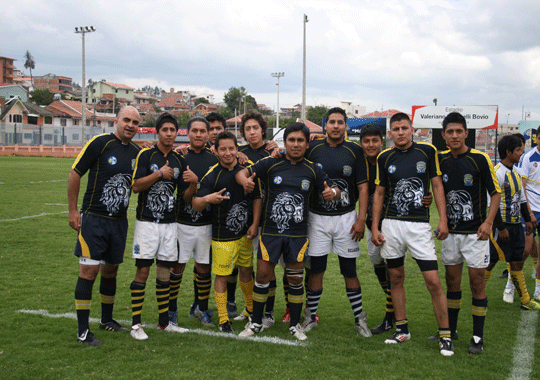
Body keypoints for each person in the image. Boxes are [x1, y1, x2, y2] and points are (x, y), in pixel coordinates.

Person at [236, 122, 341, 341]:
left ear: (306, 143)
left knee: (295, 279)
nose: (295, 144)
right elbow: (241, 172)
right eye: (291, 140)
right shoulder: (272, 162)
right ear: (285, 142)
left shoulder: (313, 169)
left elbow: (334, 188)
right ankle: (255, 322)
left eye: (300, 140)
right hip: (271, 233)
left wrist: (333, 192)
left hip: (297, 235)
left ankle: (295, 325)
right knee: (263, 276)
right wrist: (245, 181)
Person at [371, 112, 454, 356]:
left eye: (404, 128)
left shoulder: (427, 152)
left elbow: (437, 185)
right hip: (391, 225)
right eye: (395, 129)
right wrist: (375, 227)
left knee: (433, 281)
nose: (400, 132)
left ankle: (445, 335)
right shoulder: (384, 157)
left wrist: (444, 219)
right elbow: (378, 193)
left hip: (418, 226)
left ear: (412, 129)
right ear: (390, 133)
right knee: (395, 277)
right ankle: (401, 329)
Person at [68, 106, 141, 345]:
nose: (130, 125)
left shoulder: (137, 153)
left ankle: (106, 320)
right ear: (116, 121)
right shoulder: (100, 143)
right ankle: (82, 331)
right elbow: (75, 173)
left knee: (111, 271)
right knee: (88, 272)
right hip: (94, 220)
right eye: (127, 120)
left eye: (135, 122)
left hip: (118, 223)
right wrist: (73, 210)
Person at [434, 112, 501, 354]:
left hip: (476, 234)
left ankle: (477, 336)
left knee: (476, 284)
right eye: (449, 132)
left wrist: (489, 223)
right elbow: (436, 188)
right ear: (443, 136)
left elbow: (496, 194)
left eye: (458, 131)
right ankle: (450, 331)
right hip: (450, 233)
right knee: (452, 282)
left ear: (466, 133)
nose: (454, 136)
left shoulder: (480, 158)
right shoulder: (440, 159)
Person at [302, 107, 371, 336]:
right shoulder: (312, 148)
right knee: (316, 270)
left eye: (340, 122)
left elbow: (362, 187)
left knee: (349, 270)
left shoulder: (355, 151)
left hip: (346, 218)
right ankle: (311, 317)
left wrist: (361, 219)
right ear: (325, 125)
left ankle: (360, 319)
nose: (335, 126)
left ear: (346, 126)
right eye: (331, 122)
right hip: (317, 218)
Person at [192, 131, 263, 333]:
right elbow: (196, 203)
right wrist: (208, 199)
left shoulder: (248, 171)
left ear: (237, 148)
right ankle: (224, 320)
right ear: (215, 150)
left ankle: (249, 311)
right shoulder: (212, 176)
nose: (227, 153)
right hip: (222, 237)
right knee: (222, 276)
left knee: (247, 272)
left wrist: (254, 224)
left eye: (231, 148)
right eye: (222, 149)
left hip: (244, 235)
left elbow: (257, 198)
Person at [127, 113, 189, 340]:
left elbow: (185, 194)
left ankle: (164, 323)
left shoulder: (179, 159)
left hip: (169, 224)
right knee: (142, 271)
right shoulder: (146, 154)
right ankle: (136, 325)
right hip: (147, 224)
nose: (170, 134)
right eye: (165, 130)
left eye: (173, 130)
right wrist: (159, 174)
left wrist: (192, 182)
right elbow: (135, 186)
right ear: (158, 131)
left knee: (164, 274)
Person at [169, 117, 219, 327]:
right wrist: (194, 185)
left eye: (202, 131)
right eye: (194, 131)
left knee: (204, 268)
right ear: (187, 133)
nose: (198, 134)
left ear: (208, 134)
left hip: (207, 224)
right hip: (182, 223)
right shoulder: (180, 157)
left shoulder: (214, 158)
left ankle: (201, 307)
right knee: (178, 267)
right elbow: (185, 197)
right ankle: (171, 310)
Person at [234, 110, 281, 327]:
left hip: (268, 219)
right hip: (245, 218)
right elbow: (216, 150)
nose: (252, 132)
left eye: (255, 127)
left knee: (267, 267)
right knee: (247, 266)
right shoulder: (239, 153)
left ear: (262, 129)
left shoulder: (273, 151)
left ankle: (268, 312)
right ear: (243, 132)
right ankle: (251, 307)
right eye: (247, 129)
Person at [485, 134, 540, 311]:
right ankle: (479, 292)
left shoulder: (516, 172)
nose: (521, 152)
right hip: (502, 226)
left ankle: (525, 300)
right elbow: (492, 204)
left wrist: (528, 218)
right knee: (491, 260)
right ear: (508, 152)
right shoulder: (497, 173)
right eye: (517, 150)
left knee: (517, 261)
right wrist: (500, 228)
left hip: (517, 225)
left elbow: (522, 199)